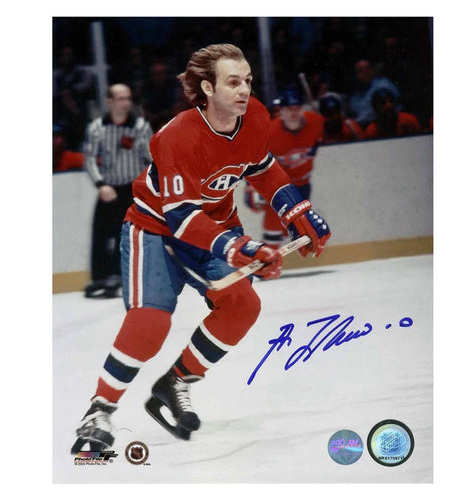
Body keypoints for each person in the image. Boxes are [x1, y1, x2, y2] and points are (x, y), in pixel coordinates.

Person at [72, 44, 331, 452]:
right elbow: (181, 217)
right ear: (207, 89)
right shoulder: (176, 136)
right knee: (150, 322)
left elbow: (262, 167)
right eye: (233, 82)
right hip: (155, 229)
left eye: (248, 81)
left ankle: (175, 383)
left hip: (215, 227)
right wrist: (240, 247)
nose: (245, 90)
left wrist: (296, 209)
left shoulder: (254, 116)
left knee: (242, 305)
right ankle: (99, 409)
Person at [83, 84, 153, 298]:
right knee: (100, 232)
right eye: (121, 99)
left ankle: (119, 275)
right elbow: (89, 159)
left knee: (126, 234)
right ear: (109, 101)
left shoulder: (140, 127)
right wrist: (100, 184)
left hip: (132, 189)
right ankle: (100, 276)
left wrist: (147, 186)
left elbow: (150, 158)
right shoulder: (97, 128)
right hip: (108, 187)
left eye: (128, 98)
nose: (125, 103)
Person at [245, 89, 325, 247]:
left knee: (293, 228)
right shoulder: (270, 132)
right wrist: (250, 186)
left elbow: (322, 138)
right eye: (289, 109)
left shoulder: (316, 122)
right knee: (274, 221)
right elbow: (252, 158)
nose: (294, 113)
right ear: (281, 111)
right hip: (279, 186)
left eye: (297, 108)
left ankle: (274, 248)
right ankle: (268, 253)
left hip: (303, 184)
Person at [348, 59, 400, 129]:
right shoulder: (356, 93)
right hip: (362, 128)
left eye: (364, 70)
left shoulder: (383, 85)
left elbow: (388, 108)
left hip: (386, 124)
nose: (360, 75)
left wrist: (357, 122)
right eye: (358, 72)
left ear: (371, 71)